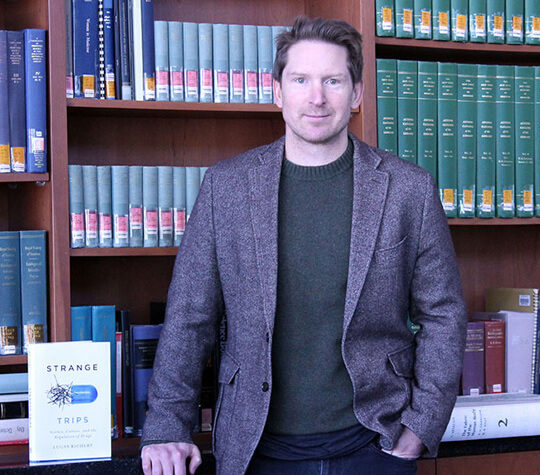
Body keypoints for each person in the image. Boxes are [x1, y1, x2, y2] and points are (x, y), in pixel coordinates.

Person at [140, 16, 466, 475]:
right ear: (277, 92)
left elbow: (443, 314)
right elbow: (190, 316)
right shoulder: (226, 187)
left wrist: (419, 430)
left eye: (333, 81)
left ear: (355, 94)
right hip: (255, 451)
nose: (317, 97)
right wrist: (167, 428)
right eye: (301, 80)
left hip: (375, 445)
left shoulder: (407, 189)